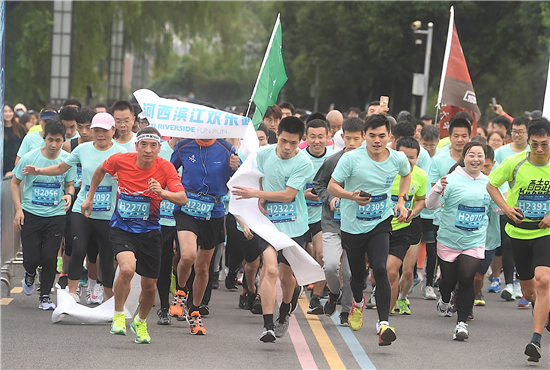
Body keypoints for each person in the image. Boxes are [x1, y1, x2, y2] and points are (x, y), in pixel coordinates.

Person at [82, 126, 186, 344]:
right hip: (122, 228)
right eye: (144, 144)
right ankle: (118, 315)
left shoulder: (166, 168)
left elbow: (182, 198)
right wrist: (90, 197)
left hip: (150, 232)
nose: (148, 150)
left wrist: (163, 192)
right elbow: (100, 170)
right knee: (127, 268)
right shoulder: (120, 160)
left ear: (159, 148)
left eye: (153, 145)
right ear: (136, 145)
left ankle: (140, 321)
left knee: (150, 287)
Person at [23, 113, 126, 305]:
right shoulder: (83, 149)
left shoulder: (121, 152)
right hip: (82, 209)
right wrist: (40, 171)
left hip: (107, 213)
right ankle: (72, 294)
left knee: (106, 254)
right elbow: (61, 167)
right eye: (96, 130)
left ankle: (109, 298)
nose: (100, 134)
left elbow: (132, 176)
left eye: (104, 130)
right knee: (78, 249)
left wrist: (122, 178)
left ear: (113, 130)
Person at [328, 114, 411, 346]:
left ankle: (383, 324)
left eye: (382, 136)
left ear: (390, 137)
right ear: (364, 136)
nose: (376, 140)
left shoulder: (398, 158)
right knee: (357, 276)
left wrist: (401, 200)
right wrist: (350, 196)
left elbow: (406, 174)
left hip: (380, 221)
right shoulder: (351, 159)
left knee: (381, 269)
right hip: (353, 225)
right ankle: (357, 302)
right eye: (372, 135)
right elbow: (332, 186)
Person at [231, 116, 314, 342]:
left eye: (294, 143)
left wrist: (257, 194)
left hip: (294, 225)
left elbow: (288, 195)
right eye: (284, 141)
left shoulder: (304, 162)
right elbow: (254, 175)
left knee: (288, 278)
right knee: (270, 269)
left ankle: (285, 310)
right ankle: (267, 325)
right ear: (277, 135)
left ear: (300, 141)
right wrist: (257, 193)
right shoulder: (263, 154)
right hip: (267, 224)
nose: (287, 147)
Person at [486, 117, 550, 363]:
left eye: (545, 144)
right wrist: (506, 208)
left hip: (545, 233)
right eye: (535, 145)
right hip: (519, 233)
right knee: (530, 291)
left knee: (544, 280)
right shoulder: (514, 163)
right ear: (528, 144)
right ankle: (544, 312)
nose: (540, 150)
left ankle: (535, 340)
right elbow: (492, 185)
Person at [169, 131, 239, 335]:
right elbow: (168, 172)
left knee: (202, 268)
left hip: (214, 212)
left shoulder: (227, 149)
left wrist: (236, 167)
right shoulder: (183, 146)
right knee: (188, 255)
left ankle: (195, 312)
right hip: (186, 209)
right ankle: (181, 292)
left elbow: (241, 178)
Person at [426, 141, 492, 341]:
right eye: (471, 155)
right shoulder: (450, 179)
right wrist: (438, 189)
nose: (476, 159)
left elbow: (498, 208)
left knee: (466, 279)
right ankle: (445, 298)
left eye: (480, 155)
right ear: (464, 157)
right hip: (449, 239)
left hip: (474, 239)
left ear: (485, 159)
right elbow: (430, 206)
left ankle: (461, 324)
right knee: (448, 282)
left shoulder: (489, 182)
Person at [12, 120, 76, 310]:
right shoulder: (30, 157)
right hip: (31, 214)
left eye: (58, 140)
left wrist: (69, 194)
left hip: (56, 216)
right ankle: (30, 273)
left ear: (63, 139)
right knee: (31, 258)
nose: (54, 144)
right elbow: (15, 183)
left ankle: (45, 296)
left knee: (49, 258)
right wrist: (18, 210)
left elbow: (69, 183)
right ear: (44, 138)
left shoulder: (66, 160)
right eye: (50, 140)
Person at [313, 117, 365, 325]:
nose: (352, 143)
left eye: (356, 139)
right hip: (332, 222)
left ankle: (346, 310)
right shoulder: (332, 161)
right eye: (348, 139)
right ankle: (333, 292)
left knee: (350, 272)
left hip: (357, 224)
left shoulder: (368, 163)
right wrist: (330, 198)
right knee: (330, 265)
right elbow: (319, 184)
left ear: (364, 138)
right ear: (342, 137)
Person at [427, 117, 471, 298]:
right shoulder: (438, 160)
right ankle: (447, 293)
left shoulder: (475, 159)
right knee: (449, 266)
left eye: (464, 136)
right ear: (450, 136)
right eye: (456, 136)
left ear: (470, 136)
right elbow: (433, 190)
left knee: (467, 266)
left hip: (469, 222)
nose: (460, 140)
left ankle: (461, 300)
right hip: (443, 219)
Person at [388, 137, 426, 315]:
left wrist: (413, 212)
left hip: (409, 225)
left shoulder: (421, 175)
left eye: (412, 157)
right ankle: (382, 293)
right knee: (386, 269)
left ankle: (402, 298)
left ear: (417, 158)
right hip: (384, 226)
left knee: (408, 270)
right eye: (403, 156)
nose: (408, 160)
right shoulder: (386, 172)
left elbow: (421, 200)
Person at [302, 119, 333, 314]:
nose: (316, 141)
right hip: (298, 215)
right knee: (297, 258)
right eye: (312, 136)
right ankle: (293, 291)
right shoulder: (298, 158)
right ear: (306, 137)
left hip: (322, 216)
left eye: (321, 136)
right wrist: (302, 194)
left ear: (328, 137)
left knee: (322, 254)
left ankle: (315, 297)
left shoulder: (333, 160)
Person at [156, 135, 183, 325]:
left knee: (186, 260)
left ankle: (181, 303)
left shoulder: (194, 149)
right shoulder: (158, 150)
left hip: (186, 216)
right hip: (162, 217)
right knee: (163, 263)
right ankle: (164, 308)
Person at [4, 102, 27, 177]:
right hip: (3, 165)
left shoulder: (20, 128)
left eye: (10, 111)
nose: (8, 114)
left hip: (17, 164)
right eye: (5, 111)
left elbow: (25, 146)